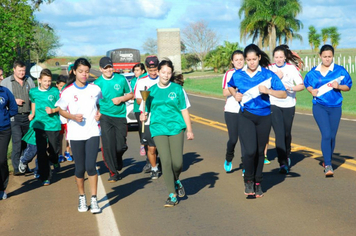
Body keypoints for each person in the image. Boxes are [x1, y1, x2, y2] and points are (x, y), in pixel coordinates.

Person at [228, 44, 287, 197]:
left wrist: (268, 91)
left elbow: (283, 94)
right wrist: (235, 95)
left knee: (260, 152)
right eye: (249, 60)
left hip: (264, 116)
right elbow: (231, 86)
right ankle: (248, 181)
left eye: (254, 59)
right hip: (246, 115)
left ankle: (258, 182)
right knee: (249, 151)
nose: (252, 62)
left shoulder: (268, 75)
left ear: (259, 58)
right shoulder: (239, 75)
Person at [140, 60, 194, 207]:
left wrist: (189, 130)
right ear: (157, 72)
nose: (166, 75)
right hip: (158, 129)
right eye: (163, 72)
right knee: (165, 161)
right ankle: (172, 194)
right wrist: (143, 116)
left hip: (176, 128)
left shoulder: (177, 89)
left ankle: (176, 179)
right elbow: (145, 111)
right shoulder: (150, 91)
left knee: (177, 162)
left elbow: (184, 110)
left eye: (168, 73)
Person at [56, 58, 102, 213]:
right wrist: (72, 116)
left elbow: (99, 104)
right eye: (81, 71)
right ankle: (82, 197)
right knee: (80, 168)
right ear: (74, 71)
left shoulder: (95, 89)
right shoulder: (68, 91)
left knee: (91, 166)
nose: (84, 75)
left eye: (87, 72)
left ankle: (94, 199)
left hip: (92, 132)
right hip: (75, 134)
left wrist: (99, 113)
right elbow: (61, 110)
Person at [304, 44, 352, 177]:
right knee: (326, 134)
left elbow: (348, 86)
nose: (327, 59)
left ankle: (327, 159)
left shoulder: (340, 71)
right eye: (324, 56)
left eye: (329, 56)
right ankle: (328, 164)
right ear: (320, 56)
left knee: (332, 136)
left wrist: (339, 86)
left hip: (335, 106)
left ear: (333, 57)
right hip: (319, 106)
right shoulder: (314, 71)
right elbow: (307, 83)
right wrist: (311, 91)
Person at [94, 57, 133, 182]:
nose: (108, 70)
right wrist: (97, 113)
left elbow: (131, 94)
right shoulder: (97, 84)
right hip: (105, 117)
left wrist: (121, 99)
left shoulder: (121, 79)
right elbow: (94, 102)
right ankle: (113, 172)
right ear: (101, 69)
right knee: (108, 146)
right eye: (105, 68)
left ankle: (118, 159)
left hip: (120, 116)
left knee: (120, 146)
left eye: (110, 67)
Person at [268, 45, 305, 174]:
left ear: (285, 57)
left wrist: (290, 89)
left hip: (288, 104)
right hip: (273, 103)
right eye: (276, 57)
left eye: (281, 57)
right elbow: (263, 85)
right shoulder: (269, 69)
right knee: (279, 134)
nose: (278, 59)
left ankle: (287, 153)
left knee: (286, 133)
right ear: (274, 57)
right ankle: (282, 163)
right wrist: (275, 77)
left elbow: (301, 86)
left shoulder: (292, 69)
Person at [0, 60, 35, 175]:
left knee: (26, 142)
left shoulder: (29, 80)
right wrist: (14, 101)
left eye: (24, 70)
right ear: (14, 70)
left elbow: (34, 97)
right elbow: (3, 97)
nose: (22, 73)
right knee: (17, 141)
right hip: (14, 116)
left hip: (28, 116)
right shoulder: (6, 82)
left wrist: (33, 113)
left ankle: (23, 165)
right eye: (19, 70)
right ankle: (16, 167)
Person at [29, 69, 61, 186]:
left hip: (53, 124)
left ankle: (54, 160)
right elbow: (33, 102)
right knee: (41, 152)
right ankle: (45, 177)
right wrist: (32, 113)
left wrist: (53, 110)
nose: (47, 83)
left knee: (54, 150)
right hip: (39, 125)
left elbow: (61, 106)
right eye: (45, 81)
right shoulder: (33, 92)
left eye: (49, 81)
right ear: (40, 80)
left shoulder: (55, 91)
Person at [134, 55, 160, 179]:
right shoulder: (142, 81)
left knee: (162, 146)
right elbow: (138, 100)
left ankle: (161, 163)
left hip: (162, 118)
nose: (153, 73)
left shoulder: (164, 79)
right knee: (151, 147)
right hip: (148, 117)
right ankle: (154, 167)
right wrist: (146, 100)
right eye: (150, 70)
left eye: (155, 70)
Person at [222, 50, 244, 173]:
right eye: (236, 60)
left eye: (241, 59)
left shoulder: (249, 73)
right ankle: (228, 158)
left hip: (246, 110)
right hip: (231, 110)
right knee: (233, 139)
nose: (239, 62)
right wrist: (236, 87)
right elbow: (225, 92)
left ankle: (246, 166)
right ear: (232, 61)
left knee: (245, 140)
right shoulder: (229, 74)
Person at [0, 84, 17, 199]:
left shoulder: (5, 92)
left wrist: (5, 117)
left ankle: (2, 188)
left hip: (4, 130)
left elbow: (14, 108)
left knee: (1, 160)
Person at [131, 63, 147, 157]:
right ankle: (143, 144)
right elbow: (132, 93)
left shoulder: (145, 79)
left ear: (143, 71)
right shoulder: (133, 80)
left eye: (137, 70)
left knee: (147, 128)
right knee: (141, 128)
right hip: (137, 108)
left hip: (147, 108)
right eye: (134, 70)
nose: (135, 72)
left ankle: (146, 145)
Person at [56, 75, 73, 163]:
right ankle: (60, 154)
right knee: (60, 137)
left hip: (67, 119)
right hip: (59, 120)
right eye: (61, 86)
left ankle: (67, 152)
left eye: (64, 86)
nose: (63, 88)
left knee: (68, 137)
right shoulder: (56, 94)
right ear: (57, 85)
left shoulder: (68, 93)